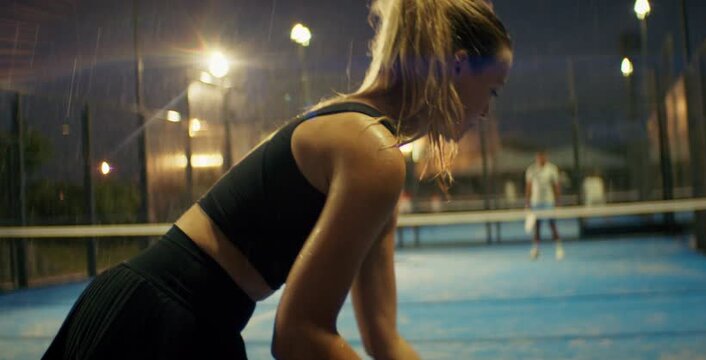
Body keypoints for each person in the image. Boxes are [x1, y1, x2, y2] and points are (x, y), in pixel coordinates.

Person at [44, 0, 512, 358]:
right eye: (491, 88)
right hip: (157, 324)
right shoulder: (371, 150)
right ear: (456, 64)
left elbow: (382, 337)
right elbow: (298, 335)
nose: (488, 110)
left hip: (184, 320)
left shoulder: (375, 148)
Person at [525, 150, 563, 260]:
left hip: (548, 202)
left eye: (543, 157)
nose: (541, 159)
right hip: (536, 203)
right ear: (537, 158)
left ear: (546, 157)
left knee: (552, 225)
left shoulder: (552, 169)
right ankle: (535, 250)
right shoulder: (531, 169)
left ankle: (559, 249)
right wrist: (527, 202)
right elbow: (528, 186)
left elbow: (556, 185)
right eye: (539, 157)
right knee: (537, 227)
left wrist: (558, 200)